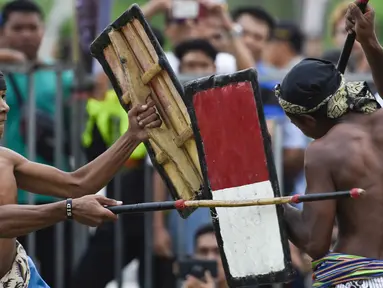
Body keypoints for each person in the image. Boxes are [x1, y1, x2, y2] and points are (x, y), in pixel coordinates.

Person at [0, 69, 162, 287]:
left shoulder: (6, 160)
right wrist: (68, 209)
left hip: (22, 278)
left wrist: (133, 135)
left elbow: (77, 185)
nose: (5, 107)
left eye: (2, 96)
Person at [275, 1, 383, 286]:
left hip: (360, 279)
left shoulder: (324, 152)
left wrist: (270, 201)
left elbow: (314, 241)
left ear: (307, 121)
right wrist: (369, 40)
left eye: (294, 122)